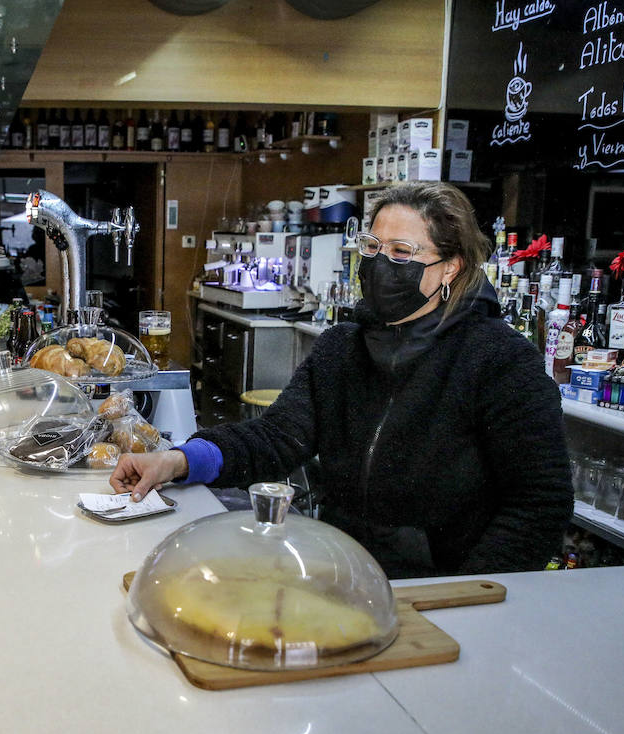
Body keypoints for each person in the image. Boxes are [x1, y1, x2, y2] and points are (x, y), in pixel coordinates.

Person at [111, 182, 573, 578]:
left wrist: (471, 593)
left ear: (449, 267)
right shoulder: (342, 348)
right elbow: (277, 437)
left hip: (445, 585)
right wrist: (177, 461)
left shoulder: (500, 360)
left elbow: (540, 501)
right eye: (372, 247)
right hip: (345, 568)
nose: (379, 263)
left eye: (401, 252)